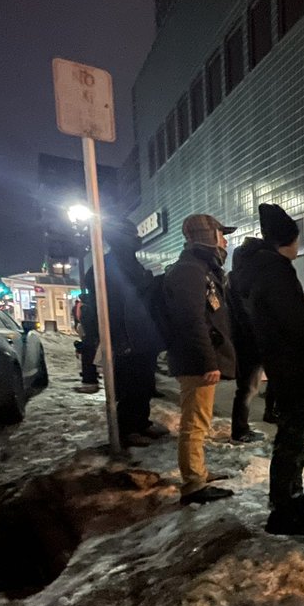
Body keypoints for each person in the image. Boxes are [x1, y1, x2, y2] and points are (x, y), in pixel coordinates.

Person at [241, 203, 304, 535]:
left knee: (290, 440)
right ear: (289, 239)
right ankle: (287, 510)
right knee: (292, 441)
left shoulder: (262, 269)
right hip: (292, 368)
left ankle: (289, 505)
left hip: (284, 367)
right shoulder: (276, 272)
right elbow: (296, 326)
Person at [164, 214, 238, 505]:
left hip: (198, 358)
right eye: (222, 234)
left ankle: (199, 472)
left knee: (200, 420)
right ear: (209, 237)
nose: (226, 241)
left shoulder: (199, 268)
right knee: (194, 422)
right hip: (196, 361)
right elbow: (192, 320)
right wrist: (209, 361)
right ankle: (194, 484)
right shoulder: (189, 271)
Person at [85, 218, 169, 447]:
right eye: (132, 234)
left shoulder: (131, 263)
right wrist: (116, 337)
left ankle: (141, 422)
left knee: (144, 382)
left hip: (143, 333)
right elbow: (108, 306)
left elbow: (140, 294)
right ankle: (128, 430)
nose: (137, 238)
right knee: (129, 384)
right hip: (126, 335)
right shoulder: (106, 267)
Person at [226, 236, 268, 443]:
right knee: (248, 387)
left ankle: (241, 428)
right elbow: (247, 315)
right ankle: (240, 430)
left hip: (246, 340)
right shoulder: (244, 281)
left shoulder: (236, 278)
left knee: (248, 387)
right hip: (249, 342)